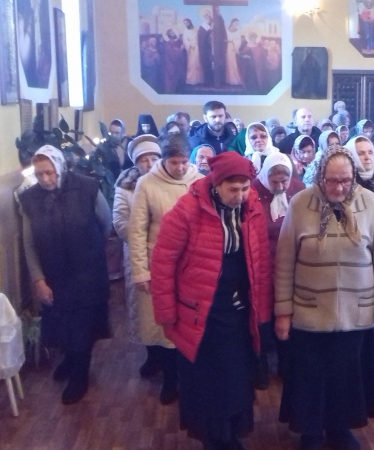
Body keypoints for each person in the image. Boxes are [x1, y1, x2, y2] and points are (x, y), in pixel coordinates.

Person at [275, 145, 374, 450]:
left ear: (354, 176)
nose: (339, 187)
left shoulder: (370, 203)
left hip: (355, 312)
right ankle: (311, 431)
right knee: (311, 376)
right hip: (309, 310)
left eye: (345, 180)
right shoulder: (300, 203)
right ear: (320, 176)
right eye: (332, 180)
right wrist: (283, 312)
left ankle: (339, 429)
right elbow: (284, 263)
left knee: (345, 376)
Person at [150, 152, 272, 449]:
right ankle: (214, 439)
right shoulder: (187, 210)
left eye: (245, 188)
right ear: (216, 184)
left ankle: (231, 434)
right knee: (208, 381)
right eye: (233, 189)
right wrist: (166, 314)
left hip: (239, 309)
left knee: (236, 377)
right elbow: (163, 264)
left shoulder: (252, 208)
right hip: (201, 312)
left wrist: (263, 312)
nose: (240, 196)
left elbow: (260, 262)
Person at [19, 145, 112, 404]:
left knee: (83, 325)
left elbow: (105, 223)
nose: (45, 179)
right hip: (55, 273)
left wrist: (91, 249)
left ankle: (80, 375)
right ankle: (70, 360)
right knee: (61, 324)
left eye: (49, 173)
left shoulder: (87, 187)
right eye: (39, 174)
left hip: (88, 272)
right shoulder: (29, 199)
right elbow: (29, 243)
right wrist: (38, 279)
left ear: (60, 167)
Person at [128, 134, 203, 405]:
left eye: (184, 162)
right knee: (165, 324)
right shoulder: (147, 183)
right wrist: (140, 270)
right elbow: (137, 230)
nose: (180, 168)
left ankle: (190, 378)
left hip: (192, 264)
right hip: (159, 263)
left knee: (190, 321)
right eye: (174, 163)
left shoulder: (199, 181)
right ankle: (170, 379)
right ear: (164, 160)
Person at [251, 152, 305, 391]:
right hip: (262, 265)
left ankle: (286, 363)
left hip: (290, 264)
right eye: (275, 182)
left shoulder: (298, 189)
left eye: (285, 181)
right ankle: (260, 365)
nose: (281, 186)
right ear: (266, 176)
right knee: (262, 319)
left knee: (287, 315)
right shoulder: (253, 192)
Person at [113, 135, 162, 373]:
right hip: (138, 252)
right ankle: (152, 354)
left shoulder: (168, 181)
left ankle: (170, 357)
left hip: (166, 251)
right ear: (136, 162)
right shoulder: (125, 187)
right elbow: (120, 220)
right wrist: (142, 237)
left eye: (154, 158)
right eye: (144, 159)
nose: (149, 163)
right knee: (144, 308)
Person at [182, 19, 202, 86]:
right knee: (191, 64)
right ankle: (191, 80)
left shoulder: (195, 30)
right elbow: (185, 40)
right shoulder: (185, 31)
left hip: (197, 47)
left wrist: (197, 44)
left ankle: (198, 80)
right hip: (190, 49)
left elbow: (199, 38)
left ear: (190, 22)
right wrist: (190, 45)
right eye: (185, 23)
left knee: (198, 63)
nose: (186, 24)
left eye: (187, 22)